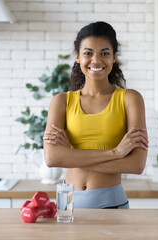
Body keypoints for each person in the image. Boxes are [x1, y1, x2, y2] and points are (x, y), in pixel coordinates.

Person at [43, 21, 148, 209]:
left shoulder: (130, 99)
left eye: (105, 53)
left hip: (111, 204)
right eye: (88, 53)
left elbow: (136, 165)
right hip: (67, 204)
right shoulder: (61, 102)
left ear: (114, 57)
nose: (96, 60)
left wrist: (72, 156)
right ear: (78, 57)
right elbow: (52, 159)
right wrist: (115, 153)